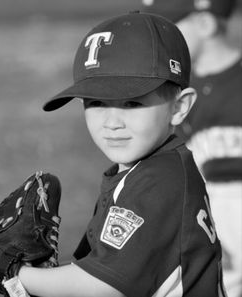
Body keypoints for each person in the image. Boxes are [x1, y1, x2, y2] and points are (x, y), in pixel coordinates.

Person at [15, 12, 227, 297]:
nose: (112, 122)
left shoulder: (158, 182)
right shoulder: (148, 169)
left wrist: (19, 276)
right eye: (97, 102)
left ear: (179, 107)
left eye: (131, 103)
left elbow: (104, 286)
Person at [140, 1, 242, 296]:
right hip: (211, 237)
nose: (159, 42)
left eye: (168, 30)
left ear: (206, 24)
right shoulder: (174, 95)